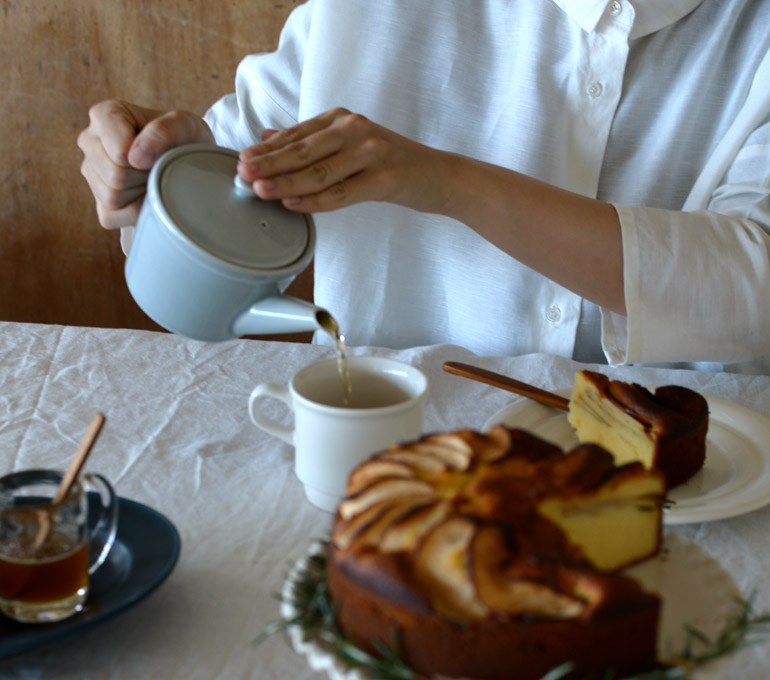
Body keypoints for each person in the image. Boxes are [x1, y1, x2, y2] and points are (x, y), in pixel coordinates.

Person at [78, 0, 770, 373]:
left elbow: (754, 291)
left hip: (694, 475)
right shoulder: (365, 13)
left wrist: (450, 183)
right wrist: (146, 175)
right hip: (396, 455)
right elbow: (224, 185)